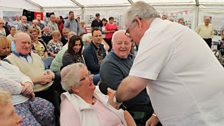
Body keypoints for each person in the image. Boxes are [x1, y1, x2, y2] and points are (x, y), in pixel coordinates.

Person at [110, 1, 224, 126]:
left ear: (138, 22)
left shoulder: (155, 35)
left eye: (128, 31)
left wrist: (115, 99)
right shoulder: (170, 29)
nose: (130, 37)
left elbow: (132, 86)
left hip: (202, 117)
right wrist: (157, 114)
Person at [100, 30, 160, 126]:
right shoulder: (109, 64)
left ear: (131, 44)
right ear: (112, 44)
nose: (123, 46)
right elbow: (122, 95)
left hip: (147, 104)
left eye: (126, 43)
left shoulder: (131, 58)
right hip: (134, 112)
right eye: (119, 43)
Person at [60, 63, 136, 126]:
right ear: (75, 88)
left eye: (89, 74)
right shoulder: (69, 108)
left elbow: (124, 113)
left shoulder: (100, 90)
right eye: (84, 78)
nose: (91, 78)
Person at [0, 59, 55, 126]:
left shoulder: (5, 64)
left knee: (48, 107)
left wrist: (28, 83)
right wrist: (23, 89)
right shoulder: (9, 59)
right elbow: (4, 83)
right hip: (13, 103)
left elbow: (22, 76)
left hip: (28, 96)